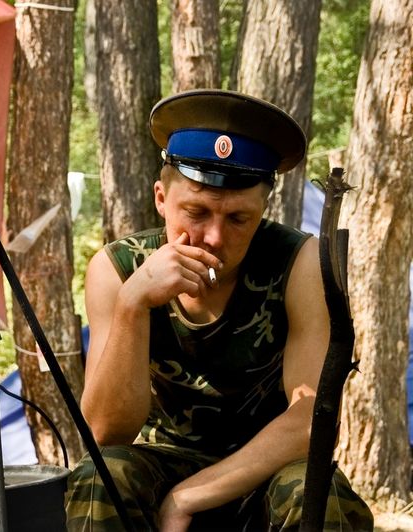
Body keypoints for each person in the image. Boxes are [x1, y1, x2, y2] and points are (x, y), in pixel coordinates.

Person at [64, 90, 373, 531]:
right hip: (160, 460)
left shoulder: (298, 262)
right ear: (160, 198)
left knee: (319, 494)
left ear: (263, 209)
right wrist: (134, 303)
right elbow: (105, 434)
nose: (213, 237)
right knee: (102, 477)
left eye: (237, 219)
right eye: (196, 212)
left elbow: (311, 422)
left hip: (264, 468)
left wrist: (186, 498)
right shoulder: (118, 269)